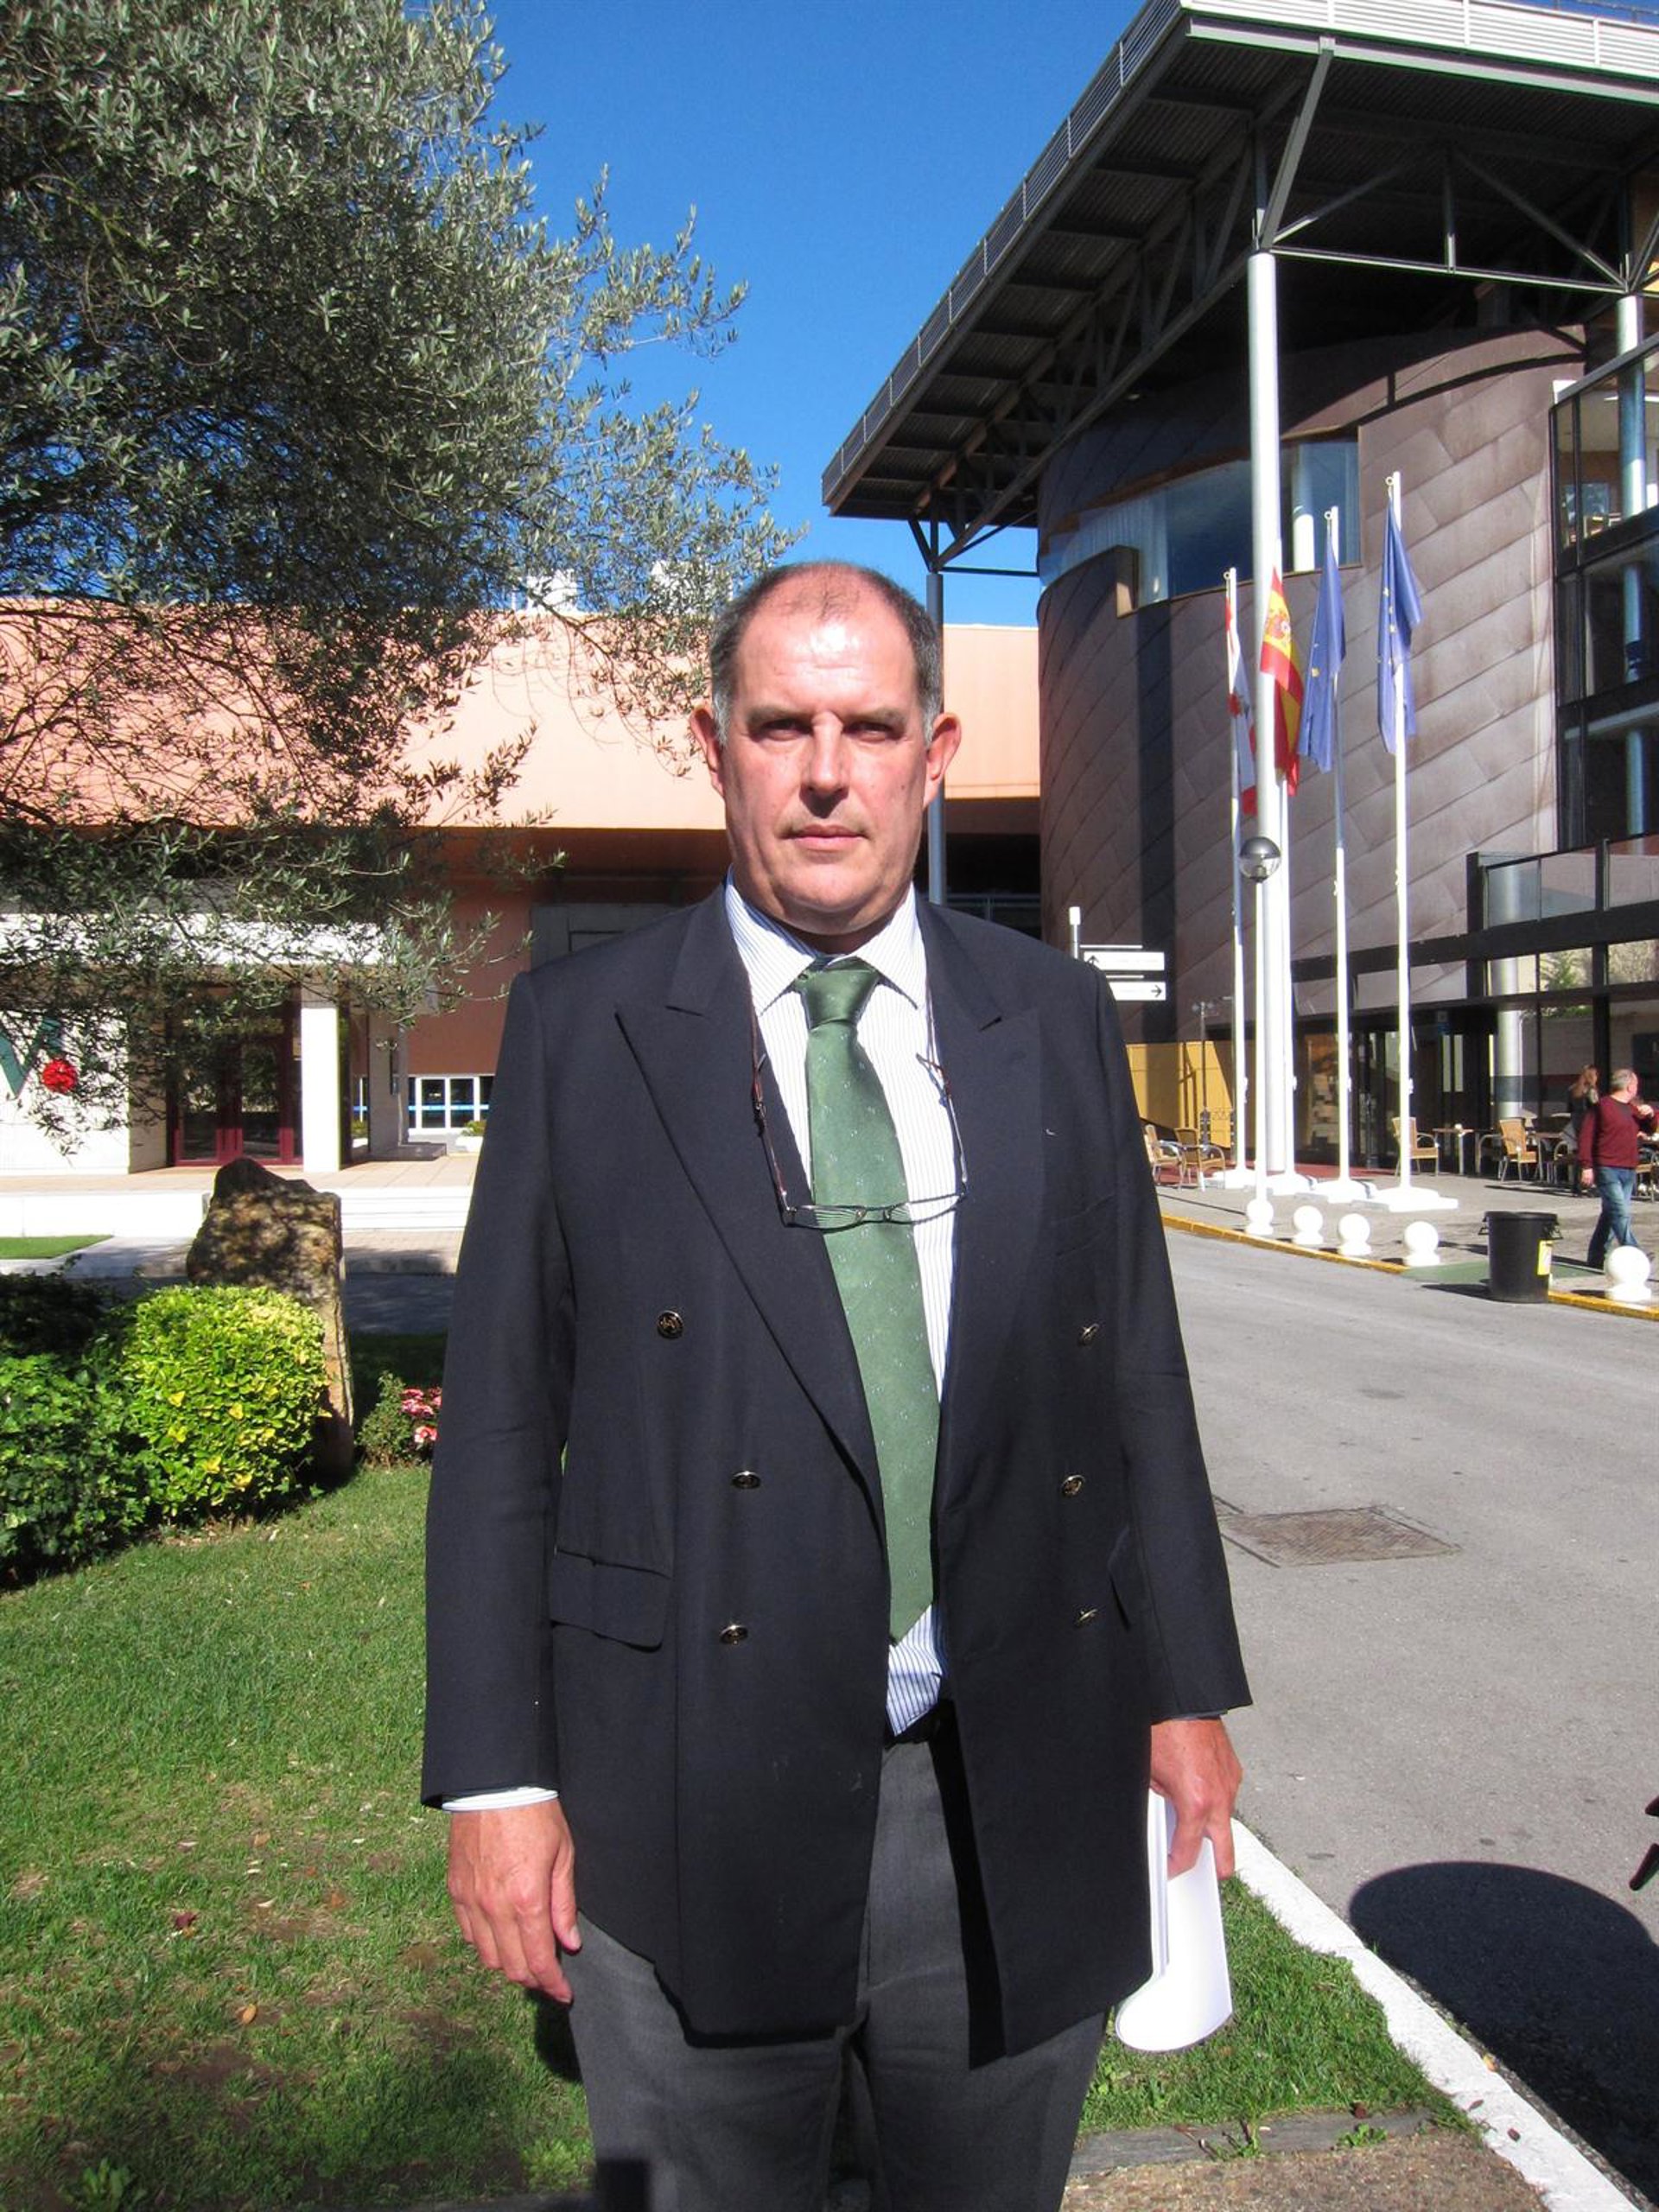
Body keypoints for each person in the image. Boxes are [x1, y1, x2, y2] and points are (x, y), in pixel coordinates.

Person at [423, 563, 1249, 2212]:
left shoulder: (1053, 1017)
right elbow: (503, 1429)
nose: (824, 773)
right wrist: (500, 1779)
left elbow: (1136, 1378)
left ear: (933, 754)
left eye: (868, 729)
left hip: (1010, 1779)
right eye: (780, 725)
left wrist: (1185, 1690)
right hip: (683, 1792)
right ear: (711, 746)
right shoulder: (584, 1030)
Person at [1579, 1066, 1655, 1269]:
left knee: (1610, 1214)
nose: (1637, 1088)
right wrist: (1587, 1166)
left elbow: (1650, 1127)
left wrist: (1651, 1114)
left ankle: (1596, 1256)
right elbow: (1586, 1136)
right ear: (1629, 1086)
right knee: (1620, 1212)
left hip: (1628, 1167)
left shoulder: (1632, 1109)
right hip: (1607, 1167)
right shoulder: (1602, 1107)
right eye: (1636, 1084)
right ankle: (1636, 1253)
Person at [1567, 1065, 1599, 1146]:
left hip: (1582, 1120)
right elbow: (1595, 1105)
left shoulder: (1573, 1089)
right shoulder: (1589, 1090)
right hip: (1585, 1120)